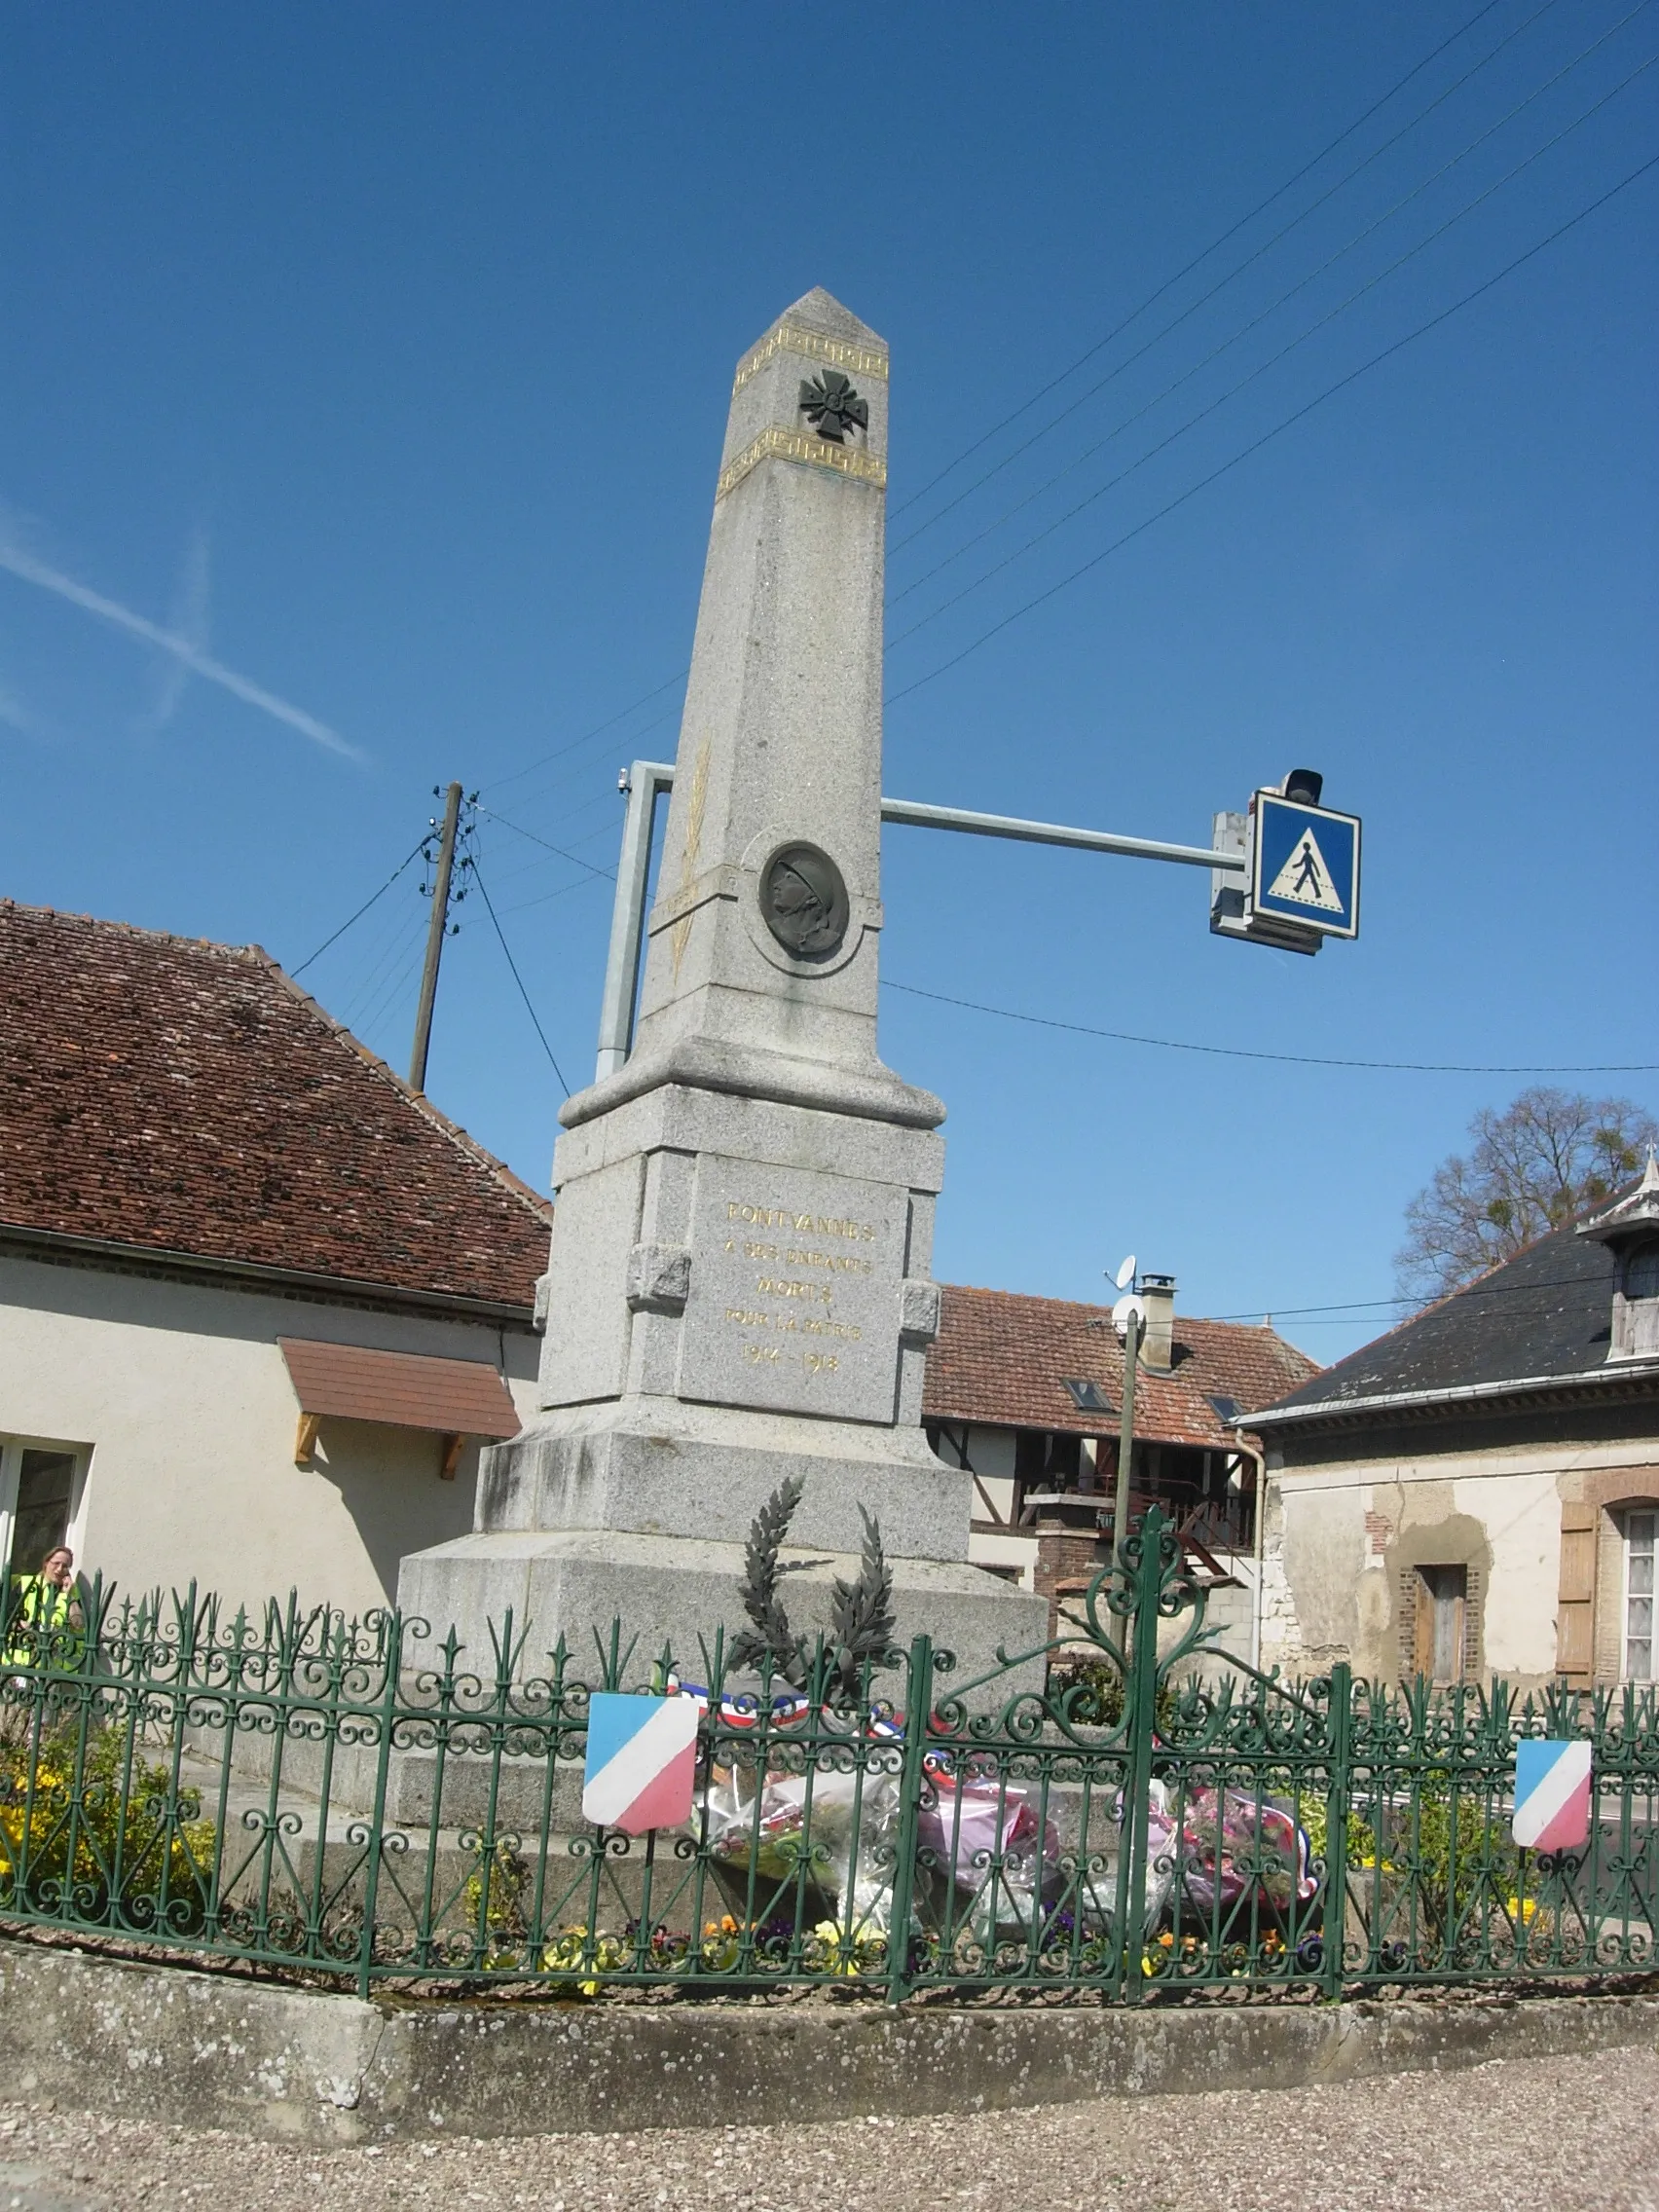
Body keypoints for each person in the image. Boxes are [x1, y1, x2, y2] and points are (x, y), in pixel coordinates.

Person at [4, 1544, 87, 1670]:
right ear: (46, 1563)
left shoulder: (72, 1591)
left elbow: (78, 1624)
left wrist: (68, 1596)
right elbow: (6, 1617)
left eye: (65, 1566)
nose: (59, 1569)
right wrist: (20, 1625)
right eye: (56, 1563)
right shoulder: (26, 1584)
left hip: (52, 1664)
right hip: (20, 1659)